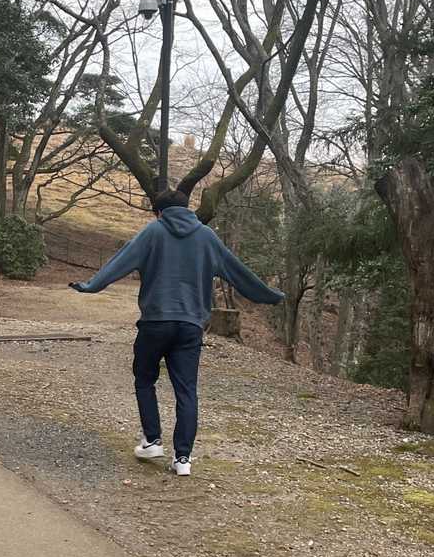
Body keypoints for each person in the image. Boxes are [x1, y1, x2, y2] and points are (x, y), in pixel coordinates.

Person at [68, 189, 283, 476]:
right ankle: (183, 459)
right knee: (186, 391)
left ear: (159, 212)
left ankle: (152, 441)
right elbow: (237, 271)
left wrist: (90, 286)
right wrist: (269, 296)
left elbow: (120, 262)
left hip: (155, 322)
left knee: (145, 379)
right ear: (187, 209)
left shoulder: (153, 232)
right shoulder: (206, 236)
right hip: (191, 326)